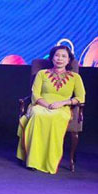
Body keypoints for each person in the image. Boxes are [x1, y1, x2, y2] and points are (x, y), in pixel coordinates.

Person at [17, 45, 85, 174]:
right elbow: (35, 94)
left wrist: (63, 102)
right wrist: (46, 105)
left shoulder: (75, 77)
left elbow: (80, 98)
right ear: (52, 58)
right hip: (41, 104)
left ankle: (49, 161)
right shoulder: (42, 74)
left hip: (62, 107)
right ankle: (33, 160)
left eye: (64, 56)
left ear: (69, 60)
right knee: (36, 114)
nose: (60, 58)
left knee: (56, 117)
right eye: (57, 55)